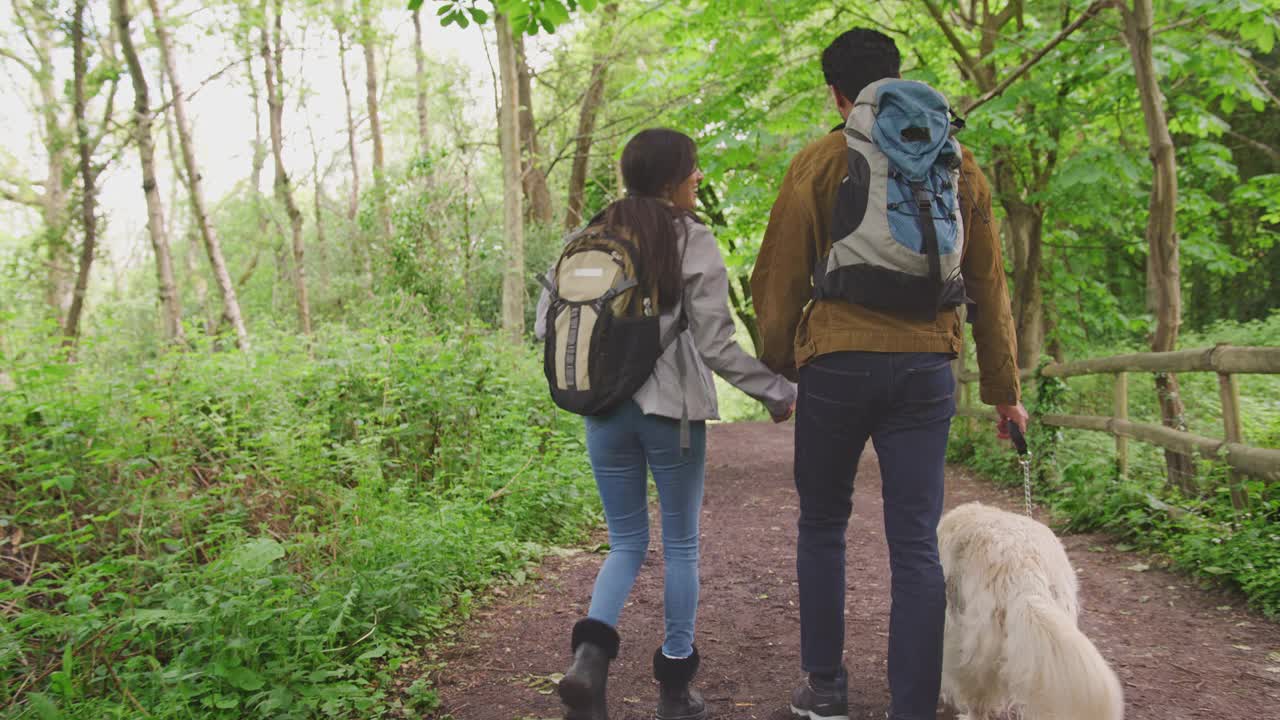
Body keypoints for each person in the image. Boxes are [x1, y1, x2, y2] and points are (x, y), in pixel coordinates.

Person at [749, 29, 1029, 720]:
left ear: (838, 94)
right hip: (927, 366)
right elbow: (989, 286)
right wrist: (1005, 394)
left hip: (837, 364)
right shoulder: (957, 162)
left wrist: (781, 364)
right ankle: (911, 704)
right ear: (895, 79)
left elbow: (778, 280)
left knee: (822, 524)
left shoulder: (819, 160)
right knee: (914, 540)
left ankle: (825, 688)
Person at [536, 128, 797, 720]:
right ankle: (675, 690)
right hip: (671, 413)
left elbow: (545, 328)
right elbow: (716, 343)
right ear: (669, 180)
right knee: (680, 545)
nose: (698, 178)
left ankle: (588, 660)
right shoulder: (689, 237)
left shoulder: (586, 238)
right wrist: (778, 393)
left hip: (602, 411)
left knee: (625, 543)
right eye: (693, 170)